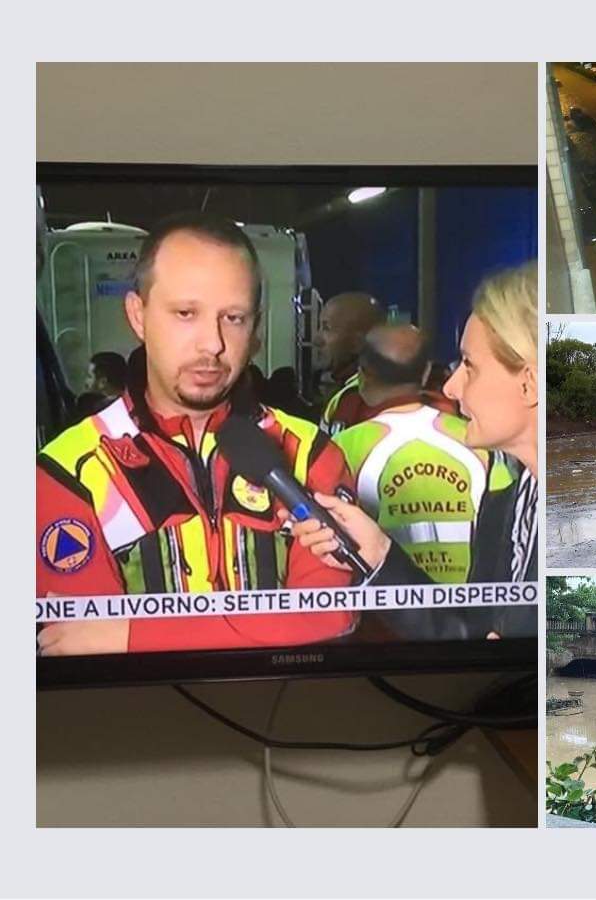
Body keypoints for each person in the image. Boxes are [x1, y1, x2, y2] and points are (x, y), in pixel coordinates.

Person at [36, 213, 356, 657]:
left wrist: (131, 634)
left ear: (256, 327)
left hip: (293, 717)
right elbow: (82, 651)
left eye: (234, 318)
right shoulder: (65, 471)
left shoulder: (309, 454)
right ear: (137, 315)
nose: (213, 344)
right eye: (186, 314)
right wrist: (271, 629)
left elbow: (328, 621)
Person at [285, 263, 538, 639]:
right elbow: (466, 631)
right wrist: (378, 552)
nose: (450, 387)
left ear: (530, 384)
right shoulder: (506, 499)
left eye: (469, 366)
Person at [333, 324, 488, 584]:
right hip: (474, 607)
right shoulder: (477, 441)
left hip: (386, 611)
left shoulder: (343, 446)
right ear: (427, 372)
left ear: (363, 375)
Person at [314, 291, 385, 434]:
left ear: (358, 343)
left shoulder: (364, 400)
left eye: (327, 328)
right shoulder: (349, 393)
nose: (317, 339)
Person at [75, 351, 128, 418]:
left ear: (103, 382)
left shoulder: (97, 410)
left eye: (90, 376)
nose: (86, 382)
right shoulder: (130, 403)